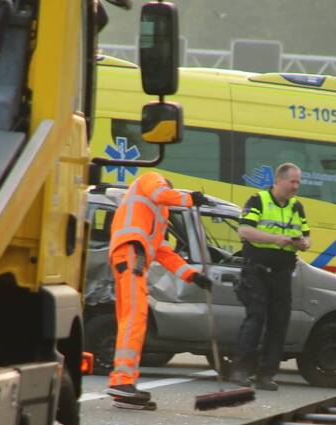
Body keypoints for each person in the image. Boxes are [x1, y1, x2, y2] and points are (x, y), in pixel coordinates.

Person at [106, 171, 213, 408]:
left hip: (132, 256)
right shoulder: (152, 179)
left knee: (133, 318)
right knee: (135, 317)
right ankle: (122, 380)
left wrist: (192, 275)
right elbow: (161, 193)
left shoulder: (158, 213)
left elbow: (164, 251)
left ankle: (124, 389)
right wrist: (190, 199)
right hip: (131, 252)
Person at [229, 163, 310, 391]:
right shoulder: (258, 200)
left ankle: (266, 374)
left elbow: (307, 235)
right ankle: (241, 370)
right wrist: (275, 239)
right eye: (293, 182)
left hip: (282, 273)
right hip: (257, 270)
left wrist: (303, 243)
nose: (296, 186)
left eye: (298, 182)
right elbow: (244, 230)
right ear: (279, 180)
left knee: (279, 322)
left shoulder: (297, 207)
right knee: (256, 317)